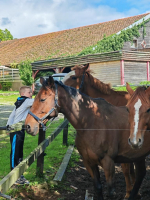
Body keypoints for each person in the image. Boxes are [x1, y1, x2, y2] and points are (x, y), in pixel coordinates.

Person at [6, 86, 34, 185]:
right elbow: (39, 101)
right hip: (16, 130)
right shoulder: (26, 101)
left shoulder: (19, 102)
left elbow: (12, 115)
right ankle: (14, 175)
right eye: (29, 92)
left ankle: (19, 174)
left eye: (31, 92)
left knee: (19, 151)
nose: (31, 94)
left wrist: (7, 126)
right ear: (23, 94)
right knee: (15, 152)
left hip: (19, 130)